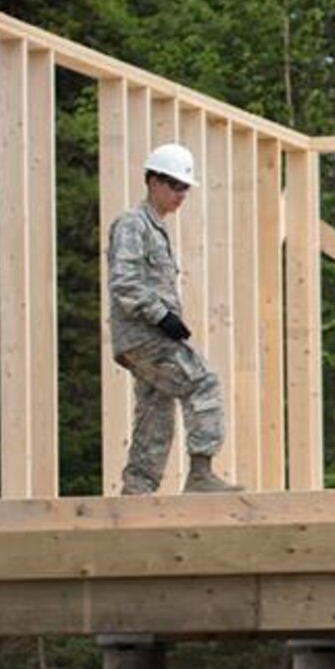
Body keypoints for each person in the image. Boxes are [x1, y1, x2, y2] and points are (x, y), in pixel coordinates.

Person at [106, 142, 241, 495]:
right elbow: (125, 282)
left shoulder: (154, 228)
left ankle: (136, 493)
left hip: (147, 336)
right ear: (153, 182)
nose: (182, 194)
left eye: (185, 188)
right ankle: (200, 475)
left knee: (155, 413)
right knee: (202, 381)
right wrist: (162, 316)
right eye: (175, 185)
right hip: (144, 335)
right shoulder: (133, 224)